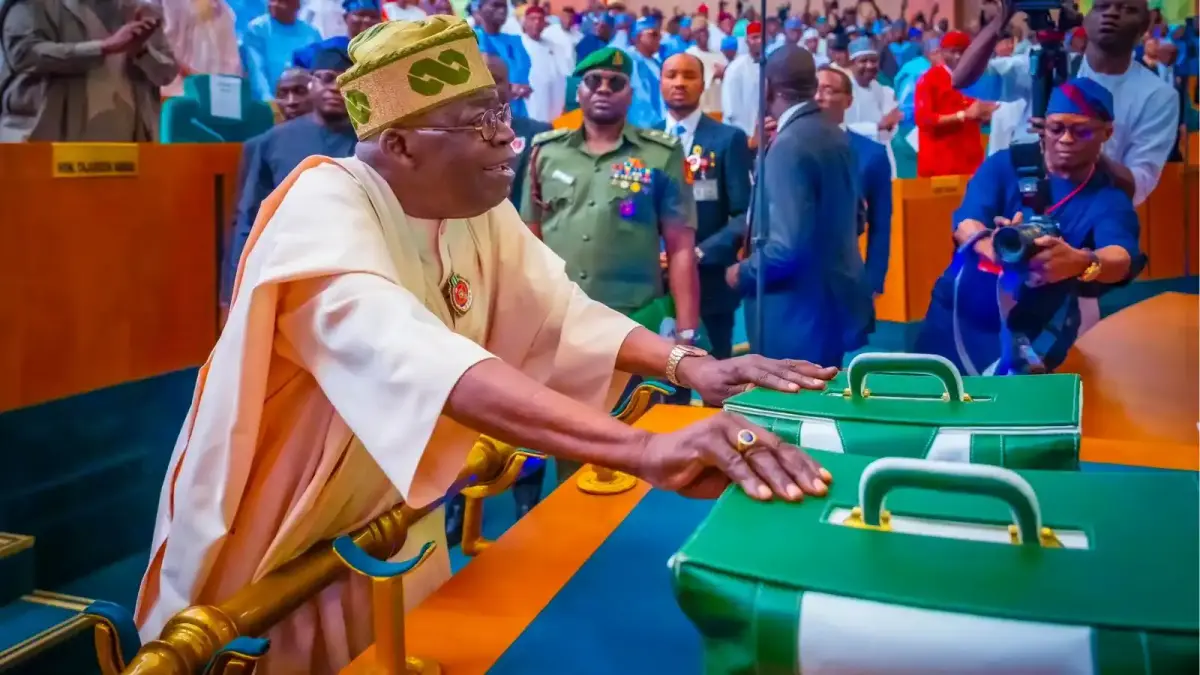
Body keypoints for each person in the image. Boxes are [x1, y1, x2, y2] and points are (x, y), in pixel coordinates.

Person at [135, 18, 835, 673]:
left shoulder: (473, 209)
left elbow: (562, 313)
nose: (511, 140)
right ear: (401, 143)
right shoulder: (322, 209)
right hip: (277, 550)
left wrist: (695, 365)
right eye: (482, 124)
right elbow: (419, 360)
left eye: (504, 115)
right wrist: (643, 449)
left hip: (390, 526)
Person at [520, 46, 702, 447]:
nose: (604, 89)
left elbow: (681, 247)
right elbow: (529, 241)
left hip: (634, 322)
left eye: (615, 82)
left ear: (630, 93)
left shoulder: (661, 154)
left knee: (637, 439)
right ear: (578, 91)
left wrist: (686, 333)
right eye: (593, 81)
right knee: (569, 436)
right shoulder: (544, 153)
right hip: (561, 322)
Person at [914, 78, 1141, 375]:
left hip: (1033, 334)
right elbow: (965, 223)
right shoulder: (1005, 165)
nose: (1066, 139)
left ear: (1107, 132)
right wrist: (993, 246)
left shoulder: (1106, 198)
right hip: (955, 318)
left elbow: (1122, 257)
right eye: (1057, 128)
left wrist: (1082, 262)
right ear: (1043, 127)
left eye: (1081, 130)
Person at [725, 46, 874, 366]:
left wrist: (744, 271)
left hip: (794, 316)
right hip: (830, 308)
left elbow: (784, 250)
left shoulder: (789, 145)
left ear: (768, 87)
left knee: (790, 413)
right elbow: (858, 218)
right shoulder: (833, 133)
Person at [951, 0, 1178, 206]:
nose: (1112, 14)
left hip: (1091, 221)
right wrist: (998, 22)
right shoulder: (1047, 64)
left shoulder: (1157, 95)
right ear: (1086, 20)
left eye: (1127, 9)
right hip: (1021, 208)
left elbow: (1137, 186)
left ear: (1145, 24)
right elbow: (963, 80)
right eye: (1102, 6)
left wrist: (1080, 147)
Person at [228, 41, 357, 285]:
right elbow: (248, 219)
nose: (335, 89)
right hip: (286, 268)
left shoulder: (374, 142)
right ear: (312, 83)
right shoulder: (272, 143)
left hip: (355, 266)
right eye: (327, 78)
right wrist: (233, 290)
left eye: (346, 81)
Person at [661, 52, 751, 359]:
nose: (679, 83)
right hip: (655, 288)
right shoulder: (641, 139)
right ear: (660, 83)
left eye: (689, 76)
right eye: (671, 75)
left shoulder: (728, 139)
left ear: (703, 85)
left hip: (710, 284)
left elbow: (744, 215)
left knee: (718, 380)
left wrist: (698, 253)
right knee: (662, 386)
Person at [0, 0, 177, 141]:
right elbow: (24, 54)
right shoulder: (33, 4)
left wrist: (141, 51)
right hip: (46, 142)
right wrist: (103, 48)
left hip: (126, 146)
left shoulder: (143, 12)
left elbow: (167, 74)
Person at [815, 65, 892, 297]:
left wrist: (874, 281)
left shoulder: (871, 153)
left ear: (848, 101)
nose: (818, 97)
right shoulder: (786, 143)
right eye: (814, 90)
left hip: (846, 273)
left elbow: (881, 225)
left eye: (828, 90)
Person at [914, 30, 995, 177]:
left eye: (962, 52)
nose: (957, 57)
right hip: (939, 167)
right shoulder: (929, 79)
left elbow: (983, 112)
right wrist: (962, 115)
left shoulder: (977, 78)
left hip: (971, 164)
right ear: (942, 52)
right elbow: (924, 119)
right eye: (953, 52)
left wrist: (988, 113)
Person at [158, 0, 241, 98]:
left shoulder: (223, 11)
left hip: (218, 97)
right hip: (177, 94)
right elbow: (160, 47)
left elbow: (231, 63)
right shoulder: (170, 4)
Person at [242, 0, 322, 101]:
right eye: (272, 0)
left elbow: (317, 74)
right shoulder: (257, 29)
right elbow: (257, 71)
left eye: (282, 1)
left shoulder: (311, 34)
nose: (274, 5)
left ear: (297, 5)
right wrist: (269, 102)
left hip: (304, 104)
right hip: (270, 103)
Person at [473, 0, 532, 117]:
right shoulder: (473, 39)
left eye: (504, 6)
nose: (502, 10)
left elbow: (523, 77)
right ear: (480, 9)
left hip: (517, 114)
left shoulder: (515, 42)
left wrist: (521, 88)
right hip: (487, 116)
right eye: (496, 5)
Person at [519, 4, 569, 123]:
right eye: (532, 19)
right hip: (530, 102)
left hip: (553, 103)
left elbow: (562, 74)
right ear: (525, 22)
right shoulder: (519, 44)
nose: (536, 22)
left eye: (540, 19)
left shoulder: (553, 46)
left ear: (544, 23)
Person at [721, 20, 763, 136]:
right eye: (754, 38)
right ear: (747, 41)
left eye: (761, 37)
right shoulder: (736, 68)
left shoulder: (770, 65)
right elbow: (730, 108)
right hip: (739, 131)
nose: (759, 41)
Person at [625, 16, 665, 127]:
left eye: (659, 35)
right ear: (638, 36)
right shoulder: (629, 61)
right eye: (653, 35)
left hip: (661, 126)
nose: (658, 39)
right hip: (640, 126)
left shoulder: (657, 63)